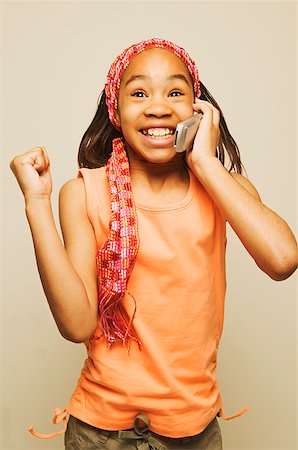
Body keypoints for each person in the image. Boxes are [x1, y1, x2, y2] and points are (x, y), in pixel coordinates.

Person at [10, 38, 298, 450]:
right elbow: (77, 324)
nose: (158, 106)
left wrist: (205, 162)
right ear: (116, 109)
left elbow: (283, 259)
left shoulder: (223, 188)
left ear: (199, 110)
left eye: (176, 92)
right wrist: (36, 203)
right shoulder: (84, 192)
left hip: (193, 431)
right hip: (101, 432)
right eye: (139, 92)